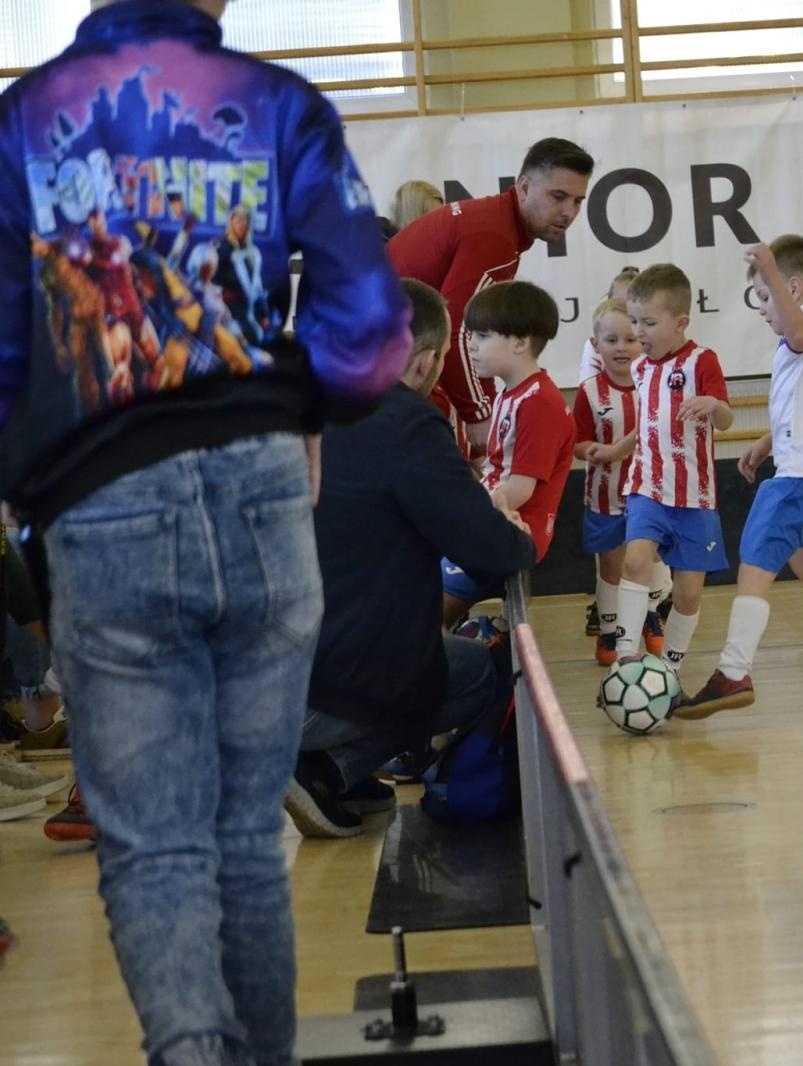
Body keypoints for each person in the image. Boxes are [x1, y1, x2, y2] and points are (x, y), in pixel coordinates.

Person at [0, 2, 413, 1063]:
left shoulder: (23, 121)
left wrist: (34, 481)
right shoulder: (279, 106)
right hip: (266, 491)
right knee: (240, 841)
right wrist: (284, 399)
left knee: (155, 851)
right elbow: (370, 338)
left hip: (103, 499)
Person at [289, 279, 537, 838]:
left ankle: (334, 772)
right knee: (481, 671)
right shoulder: (403, 423)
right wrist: (515, 532)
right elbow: (491, 550)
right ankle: (331, 767)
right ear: (424, 362)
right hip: (316, 687)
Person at [678, 237, 803, 718]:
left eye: (765, 297)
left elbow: (797, 330)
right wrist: (767, 442)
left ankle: (733, 671)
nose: (763, 310)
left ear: (790, 288)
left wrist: (766, 268)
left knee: (755, 565)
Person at [387, 138, 593, 456]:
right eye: (558, 197)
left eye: (578, 201)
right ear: (524, 188)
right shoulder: (494, 235)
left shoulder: (495, 223)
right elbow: (458, 332)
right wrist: (479, 414)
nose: (569, 213)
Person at [609, 264, 732, 669]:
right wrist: (616, 451)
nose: (638, 332)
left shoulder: (702, 361)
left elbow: (727, 418)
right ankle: (627, 654)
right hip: (647, 486)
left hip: (695, 496)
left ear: (680, 323)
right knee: (636, 560)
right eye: (633, 321)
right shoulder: (641, 368)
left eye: (648, 322)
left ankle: (669, 668)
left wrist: (714, 407)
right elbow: (647, 424)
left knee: (689, 594)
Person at [441, 281, 575, 627]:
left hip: (512, 532)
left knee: (418, 613)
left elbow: (519, 490)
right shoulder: (511, 393)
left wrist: (464, 514)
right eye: (471, 335)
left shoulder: (538, 404)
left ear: (520, 342)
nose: (470, 346)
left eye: (482, 336)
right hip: (495, 522)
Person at [573, 298, 667, 665]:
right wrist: (592, 450)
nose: (622, 348)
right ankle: (610, 631)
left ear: (642, 340)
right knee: (612, 567)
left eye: (629, 339)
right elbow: (578, 442)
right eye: (611, 340)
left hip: (651, 493)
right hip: (605, 497)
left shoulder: (654, 383)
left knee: (649, 561)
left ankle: (648, 616)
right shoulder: (589, 392)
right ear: (596, 346)